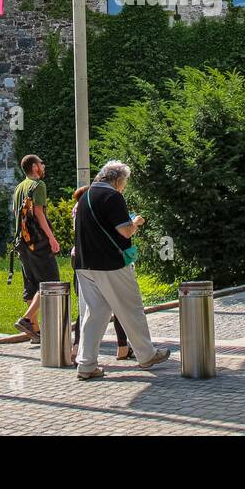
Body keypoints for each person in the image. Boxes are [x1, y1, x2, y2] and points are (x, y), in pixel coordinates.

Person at [72, 160, 171, 380]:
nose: (123, 187)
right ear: (117, 180)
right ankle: (146, 355)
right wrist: (136, 221)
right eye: (124, 182)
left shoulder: (86, 195)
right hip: (110, 263)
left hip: (84, 263)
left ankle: (86, 365)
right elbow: (125, 231)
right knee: (131, 307)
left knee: (94, 314)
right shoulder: (112, 196)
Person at [70, 186, 132, 361]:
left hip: (80, 258)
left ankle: (78, 350)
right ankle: (124, 347)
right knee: (118, 303)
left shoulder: (78, 209)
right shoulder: (98, 207)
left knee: (87, 307)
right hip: (102, 259)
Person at [12, 154, 60, 343]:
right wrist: (52, 239)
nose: (43, 165)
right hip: (37, 242)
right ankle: (26, 319)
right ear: (34, 167)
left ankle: (35, 331)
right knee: (50, 281)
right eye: (41, 163)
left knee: (31, 283)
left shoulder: (19, 187)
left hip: (21, 242)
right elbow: (39, 213)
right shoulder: (38, 186)